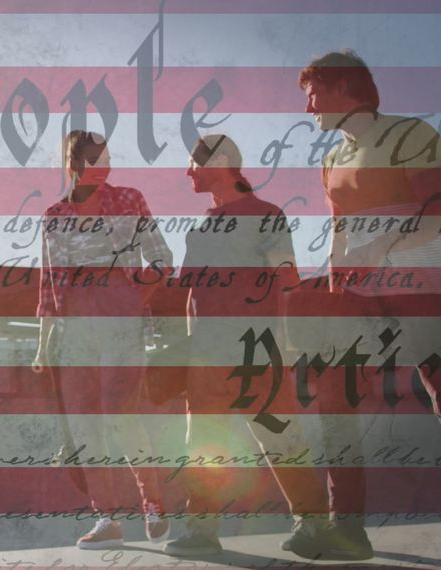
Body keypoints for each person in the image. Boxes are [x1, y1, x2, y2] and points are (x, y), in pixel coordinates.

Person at [288, 49, 441, 560]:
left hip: (421, 281)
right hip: (358, 293)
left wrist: (378, 249)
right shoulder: (332, 159)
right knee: (335, 395)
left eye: (313, 95)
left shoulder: (410, 134)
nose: (308, 109)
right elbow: (338, 229)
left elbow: (436, 210)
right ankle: (347, 528)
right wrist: (336, 286)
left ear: (342, 89)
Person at [160, 135, 331, 558]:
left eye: (193, 165)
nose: (187, 173)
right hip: (206, 357)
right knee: (203, 442)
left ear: (220, 162)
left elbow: (287, 281)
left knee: (280, 436)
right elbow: (191, 295)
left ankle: (314, 526)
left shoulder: (267, 215)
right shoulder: (200, 227)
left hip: (258, 350)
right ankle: (201, 531)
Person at [32, 130, 172, 549]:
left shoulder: (129, 199)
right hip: (74, 326)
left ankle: (152, 502)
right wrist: (42, 347)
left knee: (119, 413)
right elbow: (47, 284)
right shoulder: (53, 215)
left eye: (109, 157)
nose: (106, 166)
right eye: (97, 159)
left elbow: (162, 257)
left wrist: (133, 297)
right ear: (75, 165)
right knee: (86, 424)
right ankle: (106, 519)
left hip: (120, 318)